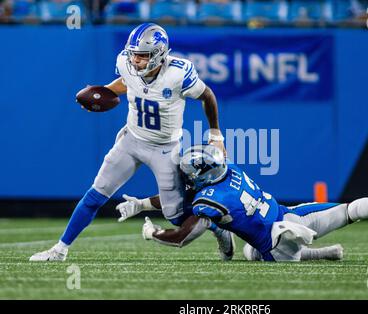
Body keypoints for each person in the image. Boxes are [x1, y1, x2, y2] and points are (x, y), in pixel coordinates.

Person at [29, 23, 234, 262]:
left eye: (142, 56)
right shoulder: (125, 62)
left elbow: (207, 95)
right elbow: (126, 83)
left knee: (176, 216)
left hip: (165, 148)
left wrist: (215, 135)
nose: (135, 60)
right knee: (96, 194)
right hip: (132, 140)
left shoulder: (179, 73)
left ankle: (218, 229)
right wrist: (105, 91)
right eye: (133, 54)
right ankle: (60, 250)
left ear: (159, 55)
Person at [122, 144, 368, 262]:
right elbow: (185, 198)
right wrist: (141, 204)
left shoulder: (208, 200)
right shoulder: (229, 168)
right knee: (350, 209)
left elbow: (181, 237)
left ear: (200, 177)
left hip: (275, 245)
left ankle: (298, 247)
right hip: (287, 213)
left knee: (251, 249)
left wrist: (152, 233)